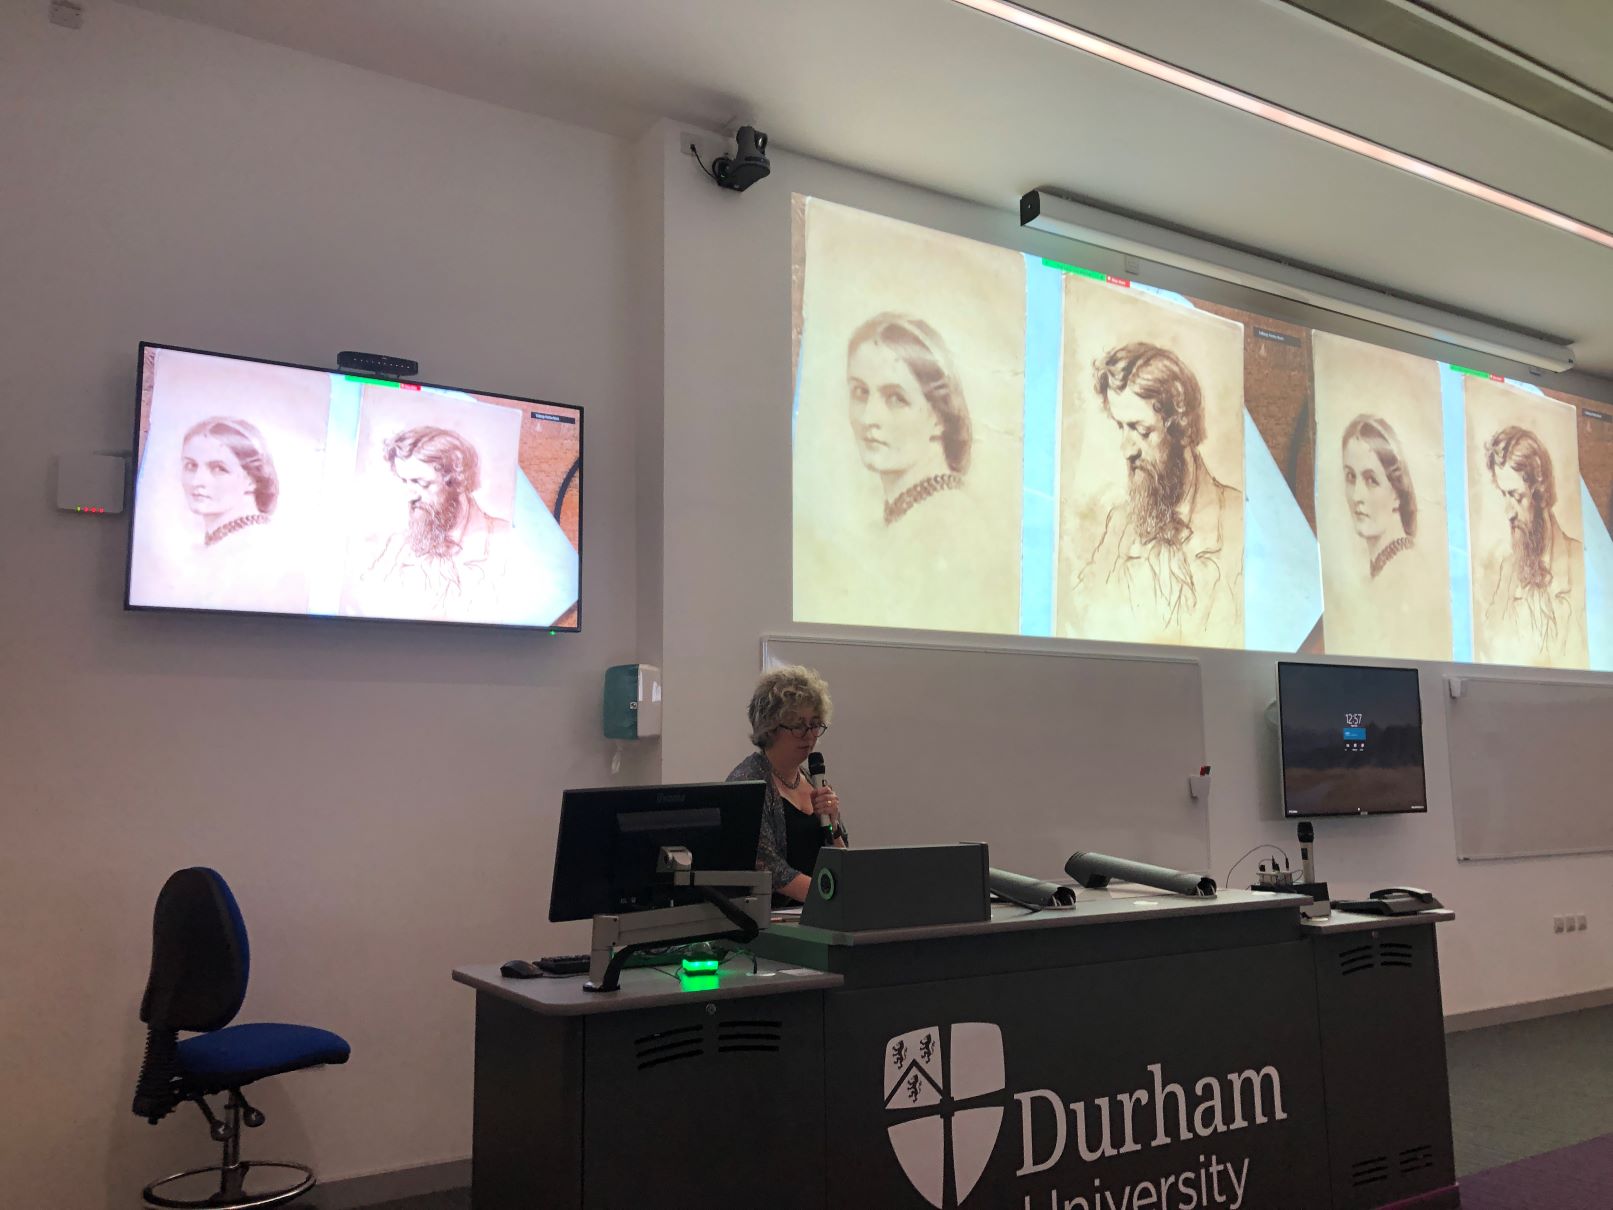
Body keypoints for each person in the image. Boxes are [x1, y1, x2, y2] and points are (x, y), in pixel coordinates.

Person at [840, 313, 1011, 632]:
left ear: (939, 416)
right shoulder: (903, 520)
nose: (868, 417)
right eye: (860, 392)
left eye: (895, 399)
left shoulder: (948, 529)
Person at [1066, 342, 1242, 643]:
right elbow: (1082, 625)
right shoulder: (1119, 524)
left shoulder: (1238, 520)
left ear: (1181, 426)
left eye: (1141, 431)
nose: (1126, 449)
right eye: (1120, 428)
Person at [360, 426, 513, 618]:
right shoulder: (398, 546)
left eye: (421, 483)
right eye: (404, 482)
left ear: (458, 481)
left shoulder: (505, 541)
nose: (410, 496)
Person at [726, 666, 845, 904]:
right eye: (799, 725)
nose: (810, 735)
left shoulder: (813, 779)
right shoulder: (747, 783)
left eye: (814, 724)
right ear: (770, 728)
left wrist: (833, 827)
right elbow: (771, 872)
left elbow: (842, 864)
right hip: (774, 927)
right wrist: (835, 898)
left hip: (819, 912)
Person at [170, 416, 305, 613]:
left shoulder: (260, 553)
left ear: (252, 479)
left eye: (218, 469)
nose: (197, 480)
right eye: (191, 466)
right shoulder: (207, 550)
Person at [1481, 425, 1586, 665]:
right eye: (1503, 496)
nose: (1508, 513)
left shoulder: (1579, 562)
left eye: (1516, 497)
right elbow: (1488, 650)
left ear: (1540, 494)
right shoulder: (1508, 570)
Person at [1341, 414, 1417, 580]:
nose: (1356, 496)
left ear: (1397, 491)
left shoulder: (1404, 574)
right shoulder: (1380, 570)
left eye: (1371, 480)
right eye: (1351, 477)